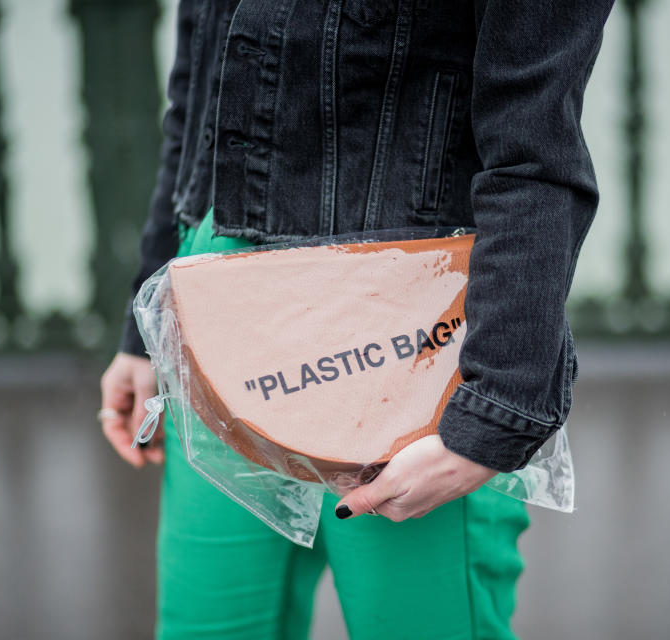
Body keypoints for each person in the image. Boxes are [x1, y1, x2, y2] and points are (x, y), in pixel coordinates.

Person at [100, 1, 614, 637]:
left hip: (406, 335)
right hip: (216, 310)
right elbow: (199, 92)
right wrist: (147, 328)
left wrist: (492, 412)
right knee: (207, 625)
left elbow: (534, 152)